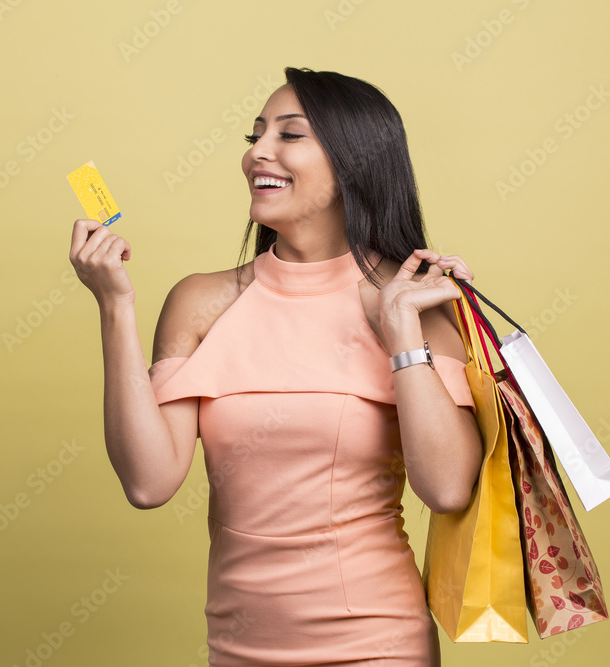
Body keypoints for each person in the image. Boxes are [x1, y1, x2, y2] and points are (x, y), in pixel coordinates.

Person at [68, 67, 484, 666]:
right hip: (238, 645)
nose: (257, 152)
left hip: (376, 646)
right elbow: (148, 482)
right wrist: (115, 305)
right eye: (256, 134)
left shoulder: (412, 302)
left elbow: (446, 488)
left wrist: (401, 335)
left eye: (290, 135)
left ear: (354, 164)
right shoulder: (201, 302)